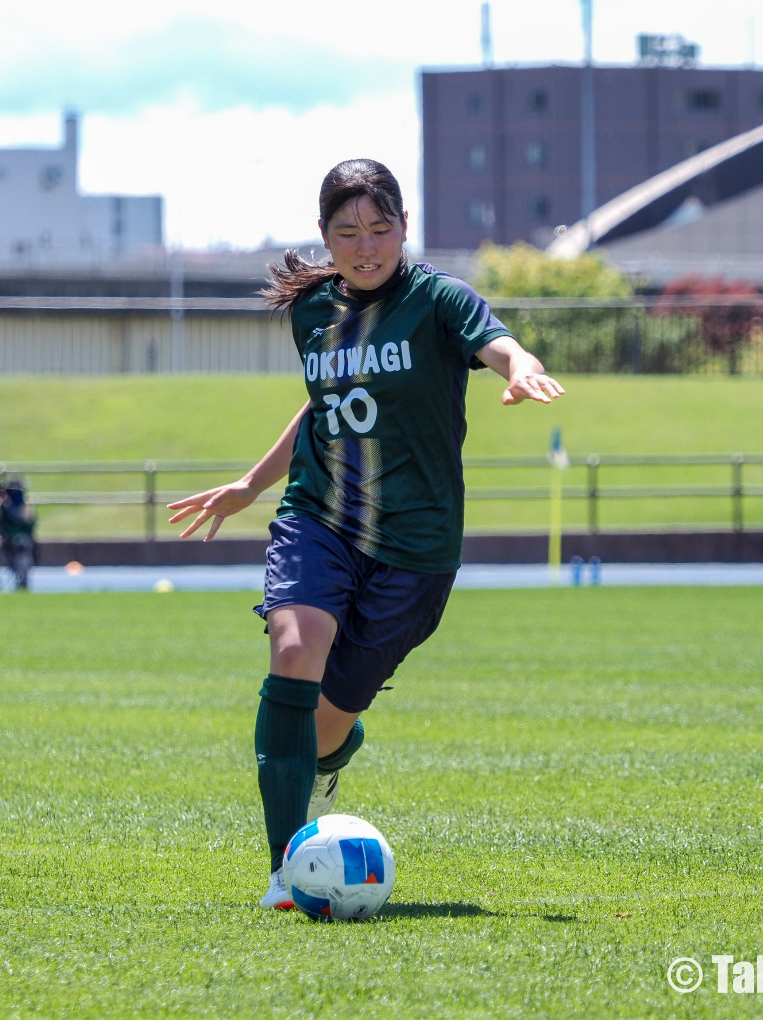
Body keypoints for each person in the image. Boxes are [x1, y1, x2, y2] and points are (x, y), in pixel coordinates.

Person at [168, 159, 565, 909]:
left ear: (405, 228)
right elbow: (324, 402)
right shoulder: (312, 310)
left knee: (320, 733)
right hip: (318, 515)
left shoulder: (439, 300)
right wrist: (253, 485)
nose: (366, 246)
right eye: (347, 232)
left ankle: (333, 746)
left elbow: (499, 343)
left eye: (381, 229)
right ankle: (284, 874)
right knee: (293, 649)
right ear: (324, 236)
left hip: (416, 549)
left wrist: (521, 369)